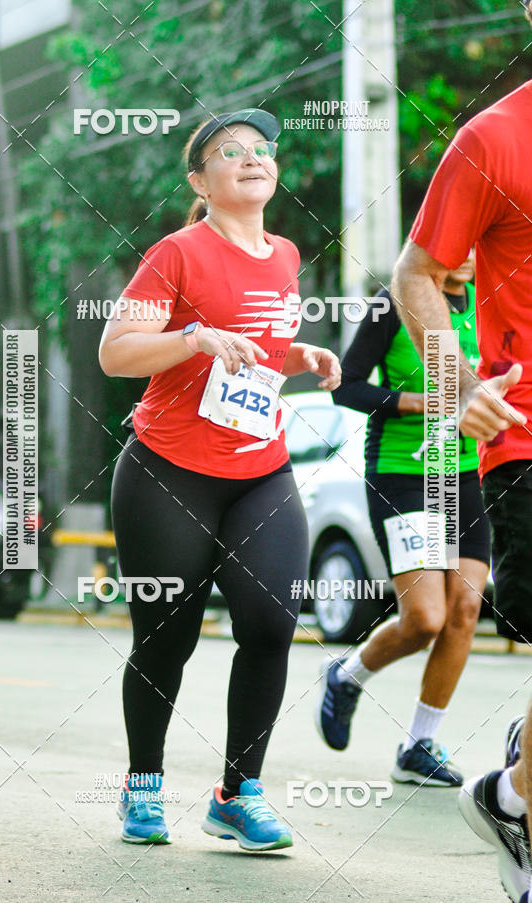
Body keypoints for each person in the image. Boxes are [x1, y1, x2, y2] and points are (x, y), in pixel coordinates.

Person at [98, 108, 341, 851]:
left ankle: (238, 795)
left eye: (261, 149)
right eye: (230, 152)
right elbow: (116, 351)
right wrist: (192, 337)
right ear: (200, 182)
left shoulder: (285, 253)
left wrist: (298, 357)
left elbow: (256, 345)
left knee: (270, 624)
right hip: (169, 471)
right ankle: (143, 786)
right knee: (166, 636)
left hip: (260, 469)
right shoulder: (177, 253)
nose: (251, 158)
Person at [390, 32, 532, 903]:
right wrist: (462, 386)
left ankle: (511, 795)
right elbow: (417, 273)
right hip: (523, 426)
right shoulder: (494, 138)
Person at [316, 251, 490, 787]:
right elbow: (345, 385)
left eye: (476, 243)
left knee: (465, 610)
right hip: (401, 474)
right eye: (456, 242)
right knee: (425, 619)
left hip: (462, 474)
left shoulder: (489, 304)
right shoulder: (392, 303)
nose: (467, 254)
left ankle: (418, 746)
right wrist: (419, 402)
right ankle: (347, 675)